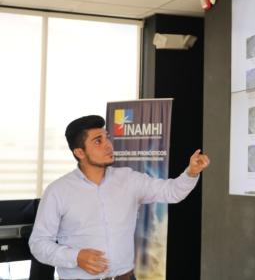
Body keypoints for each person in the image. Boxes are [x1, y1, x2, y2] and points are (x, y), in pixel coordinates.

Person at [29, 115, 210, 280]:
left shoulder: (129, 179)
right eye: (98, 141)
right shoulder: (58, 191)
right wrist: (75, 257)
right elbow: (38, 243)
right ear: (79, 152)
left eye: (107, 137)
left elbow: (172, 192)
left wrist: (191, 172)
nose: (108, 145)